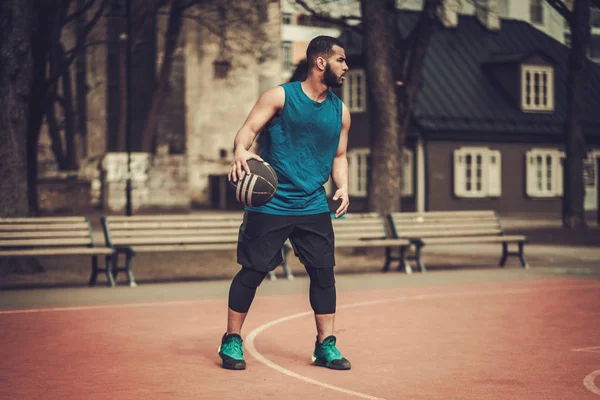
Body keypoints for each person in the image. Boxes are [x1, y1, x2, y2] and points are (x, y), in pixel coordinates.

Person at [218, 35, 351, 371]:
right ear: (321, 62)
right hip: (271, 203)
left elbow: (340, 155)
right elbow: (248, 129)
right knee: (253, 270)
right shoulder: (280, 96)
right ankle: (232, 340)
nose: (346, 67)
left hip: (312, 205)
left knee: (324, 274)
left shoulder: (341, 112)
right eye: (341, 60)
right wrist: (240, 150)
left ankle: (326, 345)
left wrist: (343, 186)